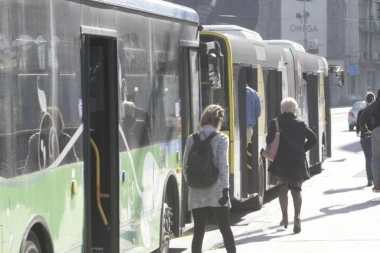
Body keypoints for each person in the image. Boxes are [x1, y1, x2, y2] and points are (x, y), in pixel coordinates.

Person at [183, 104, 236, 253]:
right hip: (217, 190)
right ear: (218, 121)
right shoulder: (221, 138)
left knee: (198, 232)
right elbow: (223, 165)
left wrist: (192, 183)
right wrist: (225, 188)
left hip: (196, 190)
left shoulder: (191, 138)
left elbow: (185, 164)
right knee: (225, 229)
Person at [266, 97, 317, 234]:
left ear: (282, 109)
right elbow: (314, 139)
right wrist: (302, 149)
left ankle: (284, 217)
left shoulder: (275, 123)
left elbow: (269, 140)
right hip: (297, 163)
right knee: (296, 191)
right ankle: (297, 217)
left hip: (281, 163)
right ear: (295, 109)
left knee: (283, 189)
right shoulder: (300, 124)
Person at [359, 88, 380, 192]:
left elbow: (362, 119)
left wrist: (365, 130)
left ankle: (377, 185)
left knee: (376, 158)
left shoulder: (373, 105)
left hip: (376, 132)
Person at [356, 92, 375, 186]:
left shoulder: (361, 112)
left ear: (365, 100)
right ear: (374, 100)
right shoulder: (375, 111)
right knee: (376, 158)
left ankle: (369, 179)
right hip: (375, 136)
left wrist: (363, 132)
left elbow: (357, 128)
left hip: (364, 137)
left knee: (368, 158)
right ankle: (376, 178)